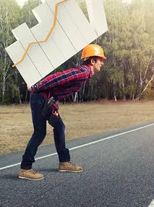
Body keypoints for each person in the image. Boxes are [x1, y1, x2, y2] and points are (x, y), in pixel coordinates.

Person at [18, 44, 106, 180]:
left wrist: (53, 102)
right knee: (39, 132)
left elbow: (59, 87)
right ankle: (25, 168)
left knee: (59, 127)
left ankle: (64, 162)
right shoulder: (83, 72)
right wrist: (36, 87)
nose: (102, 62)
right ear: (92, 61)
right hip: (40, 97)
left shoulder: (85, 73)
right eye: (100, 59)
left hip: (47, 100)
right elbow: (58, 78)